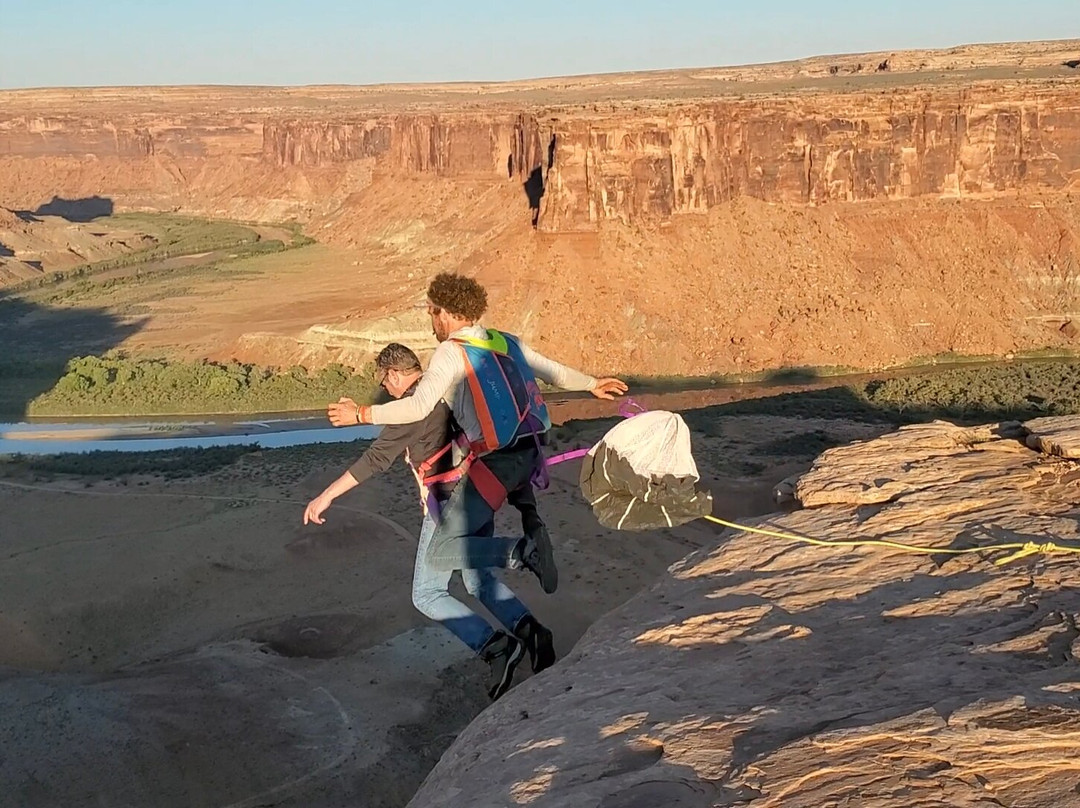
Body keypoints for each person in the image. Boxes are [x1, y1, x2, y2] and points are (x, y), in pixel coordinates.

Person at [327, 272, 627, 683]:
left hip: (492, 465)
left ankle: (520, 563)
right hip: (528, 453)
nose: (431, 322)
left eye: (432, 313)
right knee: (476, 577)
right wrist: (592, 383)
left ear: (447, 313)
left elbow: (416, 408)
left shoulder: (451, 354)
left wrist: (360, 415)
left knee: (436, 565)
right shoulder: (504, 340)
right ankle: (531, 635)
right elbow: (550, 371)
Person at [304, 342, 555, 701]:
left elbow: (375, 460)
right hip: (478, 492)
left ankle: (496, 647)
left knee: (427, 593)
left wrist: (326, 495)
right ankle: (533, 634)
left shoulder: (410, 409)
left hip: (446, 506)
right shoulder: (444, 389)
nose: (385, 389)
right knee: (477, 578)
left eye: (384, 381)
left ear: (393, 374)